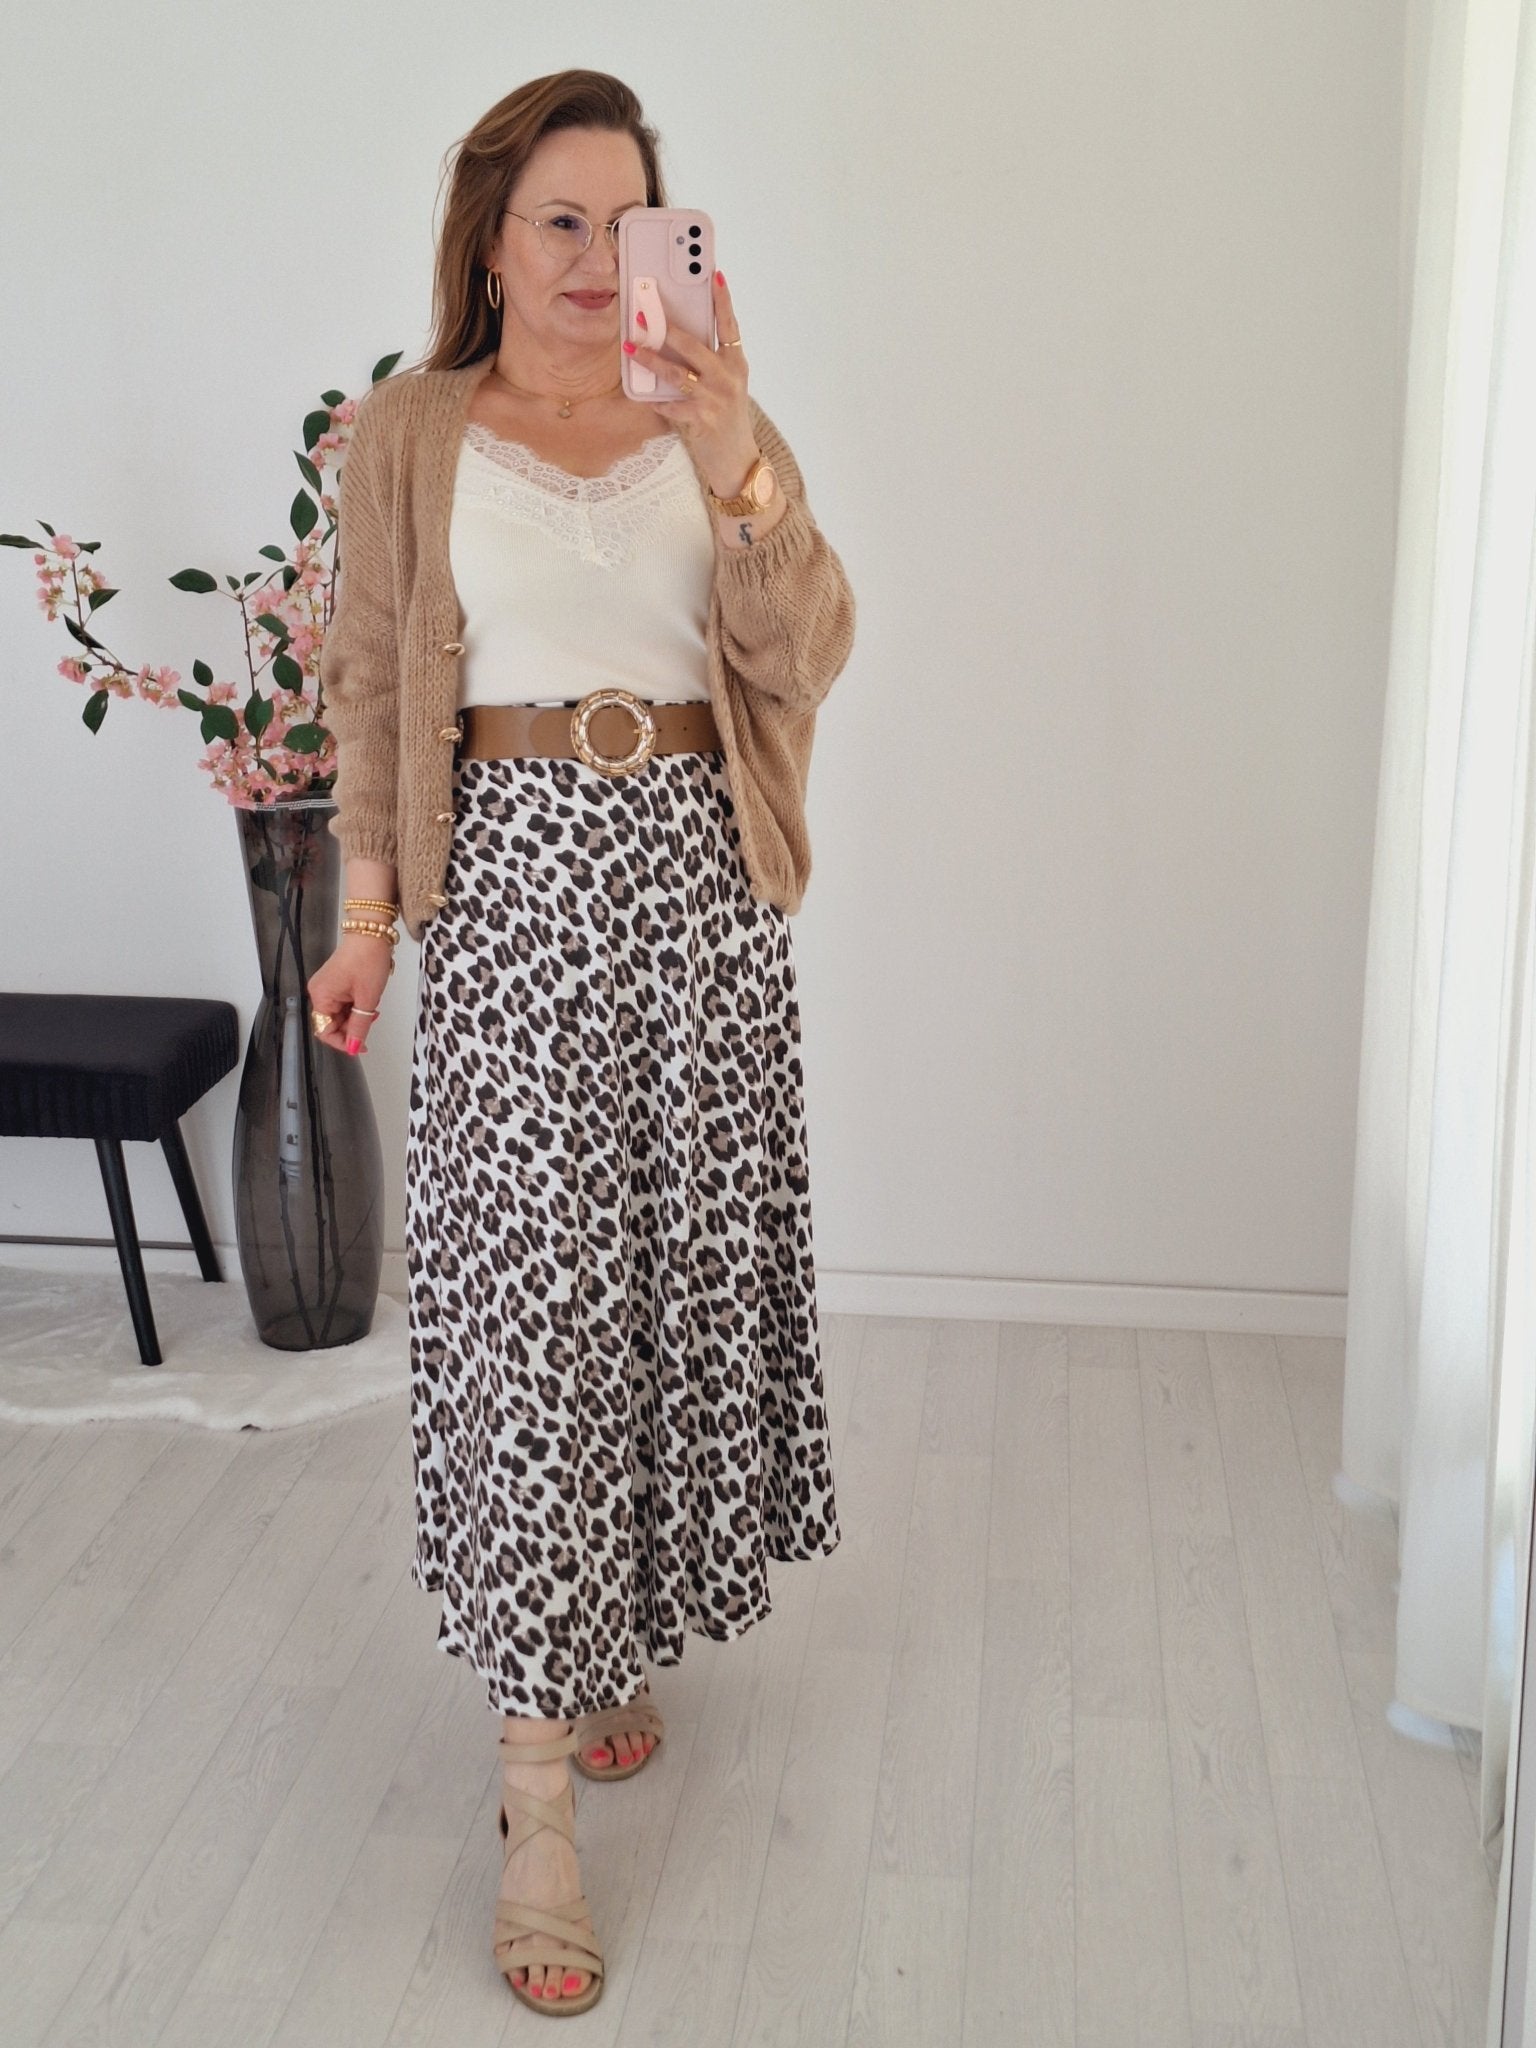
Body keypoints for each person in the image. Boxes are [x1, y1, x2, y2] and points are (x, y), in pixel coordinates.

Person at [306, 68, 855, 2015]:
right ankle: (534, 1794)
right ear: (488, 237)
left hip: (699, 896)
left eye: (631, 223)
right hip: (516, 900)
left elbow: (808, 653)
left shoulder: (711, 418)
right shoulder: (414, 431)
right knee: (535, 1317)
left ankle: (609, 1632)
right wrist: (366, 919)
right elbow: (372, 682)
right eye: (562, 221)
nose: (597, 259)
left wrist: (741, 463)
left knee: (658, 1289)